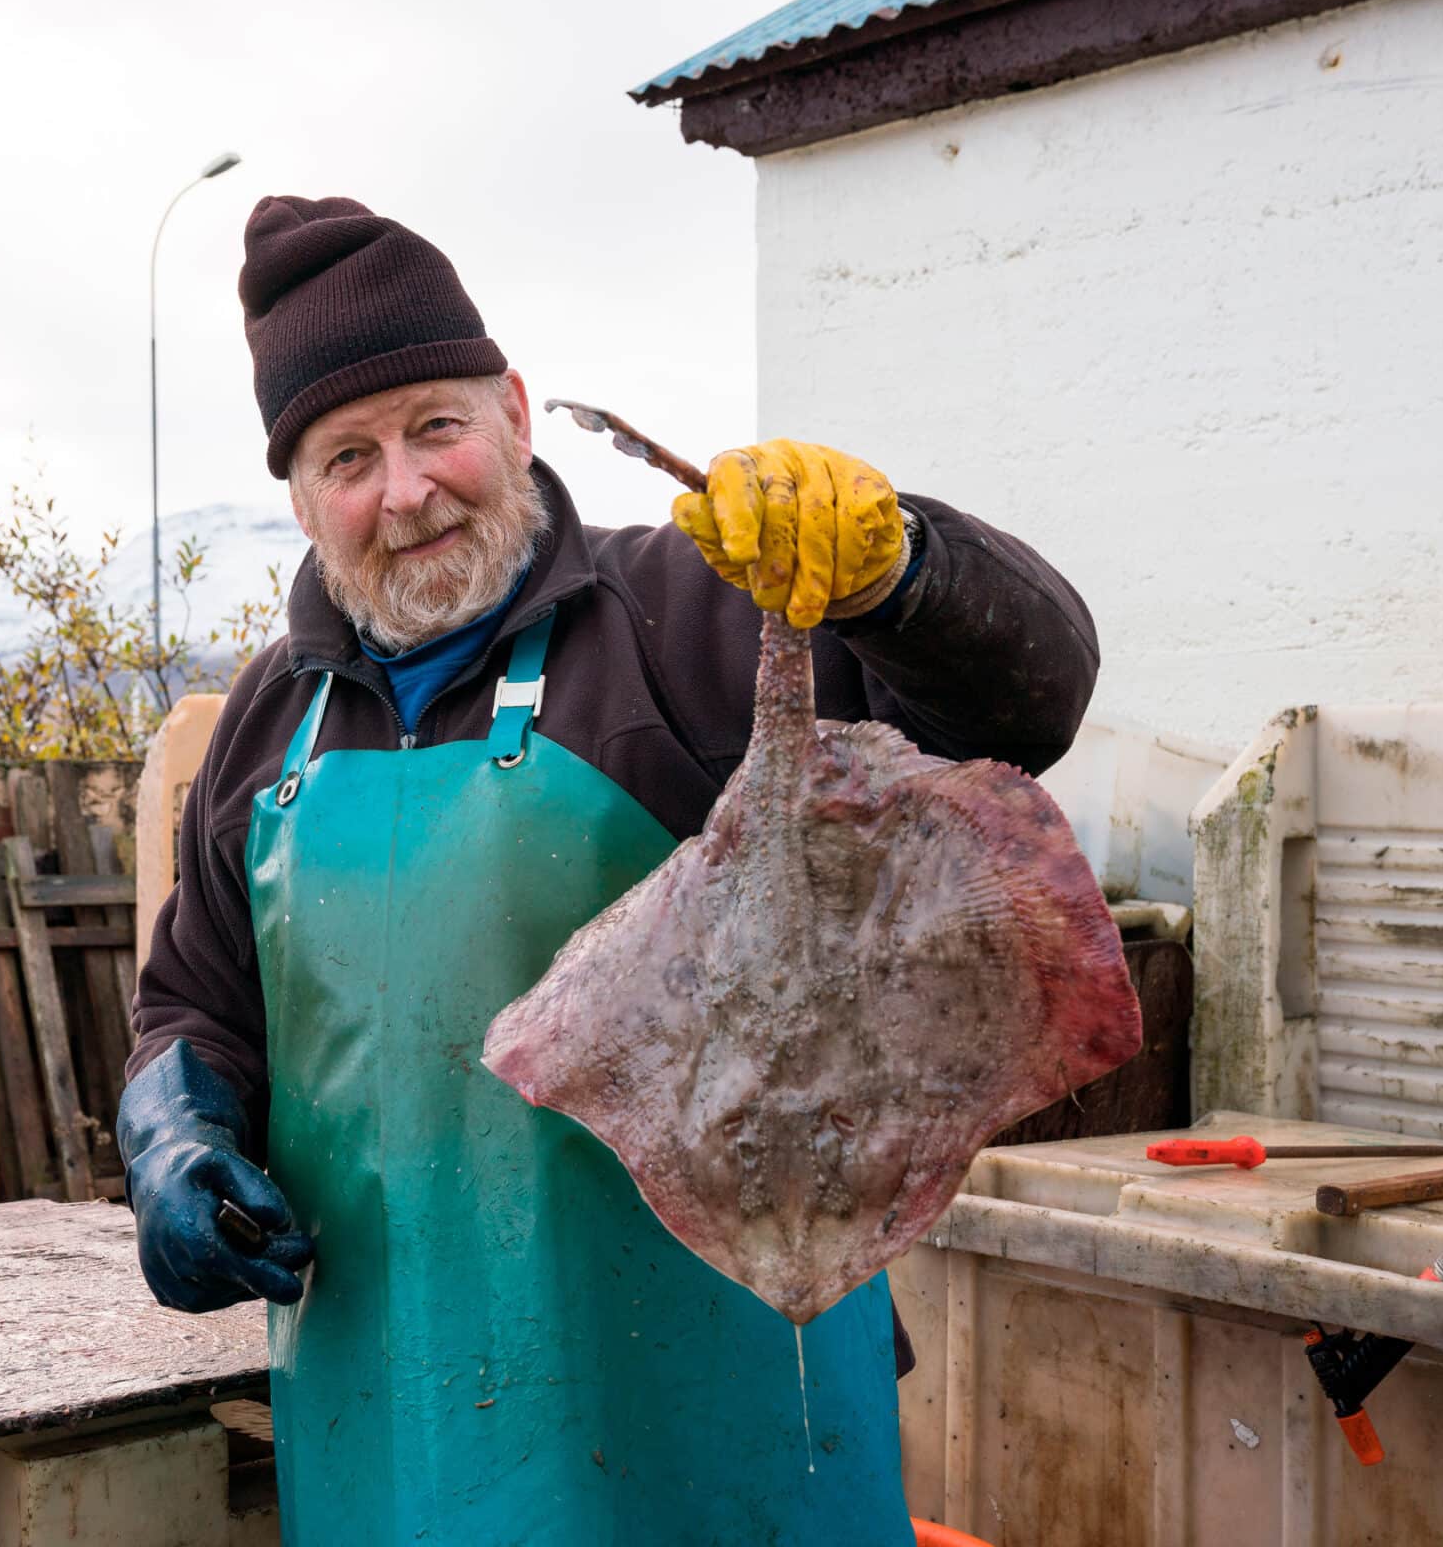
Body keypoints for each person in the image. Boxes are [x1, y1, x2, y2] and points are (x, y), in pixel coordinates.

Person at [120, 195, 1098, 1546]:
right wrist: (177, 1140)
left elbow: (1025, 703)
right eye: (349, 456)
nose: (405, 492)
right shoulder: (265, 723)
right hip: (383, 1423)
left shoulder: (682, 616)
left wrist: (899, 570)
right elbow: (195, 1004)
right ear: (298, 495)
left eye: (437, 428)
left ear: (515, 414)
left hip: (723, 1412)